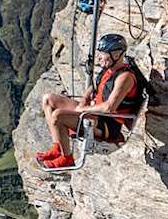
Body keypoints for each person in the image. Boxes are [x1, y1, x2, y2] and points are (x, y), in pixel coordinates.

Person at [36, 33, 141, 169]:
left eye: (103, 53)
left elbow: (109, 107)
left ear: (116, 54)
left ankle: (67, 158)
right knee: (48, 99)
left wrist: (82, 109)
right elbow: (94, 87)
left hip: (108, 124)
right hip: (96, 115)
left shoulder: (125, 77)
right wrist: (84, 99)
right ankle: (58, 148)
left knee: (58, 116)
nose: (99, 57)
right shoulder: (108, 70)